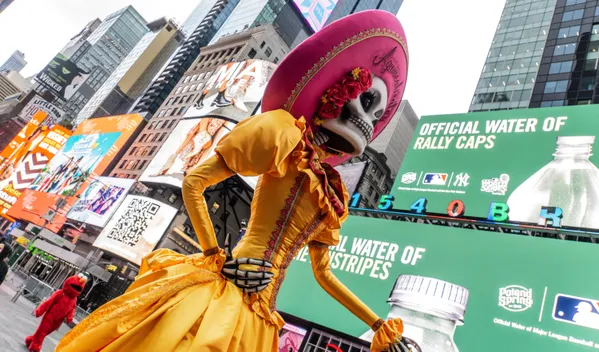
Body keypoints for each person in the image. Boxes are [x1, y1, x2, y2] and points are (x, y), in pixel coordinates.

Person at [57, 10, 409, 352]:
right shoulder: (282, 131)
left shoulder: (330, 188)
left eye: (377, 115)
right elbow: (193, 182)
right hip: (227, 287)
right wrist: (217, 257)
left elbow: (324, 275)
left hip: (259, 317)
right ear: (338, 94)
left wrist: (380, 327)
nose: (370, 120)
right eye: (367, 102)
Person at [26, 274, 88, 352]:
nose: (75, 289)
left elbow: (72, 309)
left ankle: (30, 340)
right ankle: (35, 347)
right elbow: (48, 302)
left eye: (78, 288)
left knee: (43, 333)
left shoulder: (74, 299)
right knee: (42, 332)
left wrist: (69, 317)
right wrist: (40, 311)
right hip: (50, 317)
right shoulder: (60, 293)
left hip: (58, 321)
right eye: (75, 287)